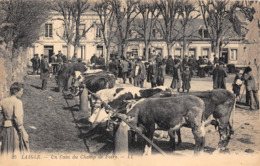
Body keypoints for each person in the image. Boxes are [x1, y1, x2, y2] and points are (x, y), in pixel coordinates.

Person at [0, 82, 29, 156]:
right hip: (14, 128)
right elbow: (17, 117)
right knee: (15, 148)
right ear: (16, 91)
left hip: (5, 128)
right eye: (21, 91)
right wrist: (20, 129)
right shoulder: (18, 102)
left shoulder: (3, 101)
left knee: (6, 147)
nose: (22, 93)